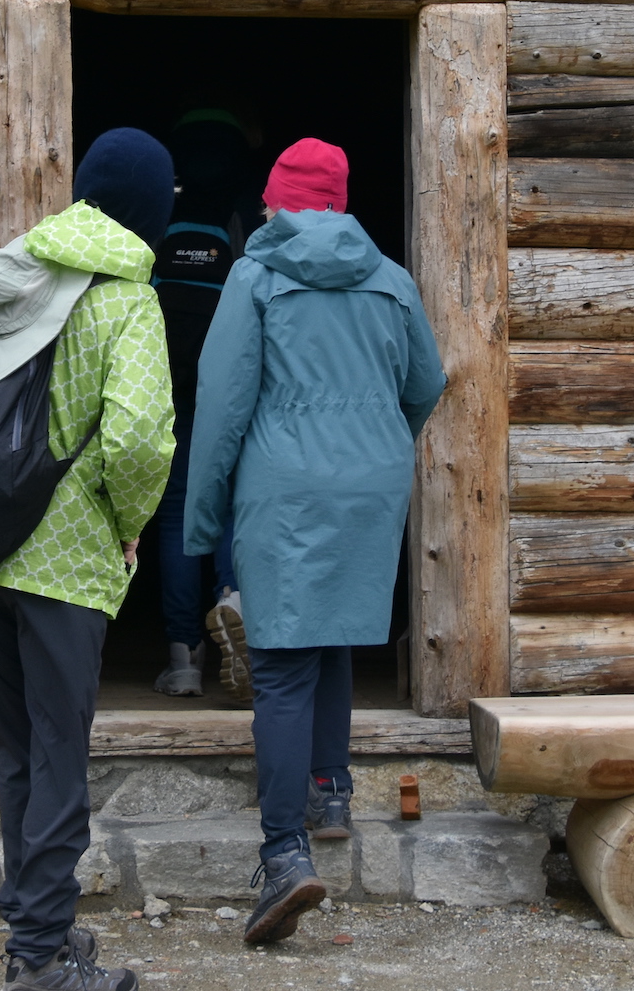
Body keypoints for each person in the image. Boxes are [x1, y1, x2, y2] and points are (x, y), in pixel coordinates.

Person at [184, 138, 446, 946]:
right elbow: (427, 383)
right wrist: (377, 443)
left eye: (269, 199)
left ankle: (284, 855)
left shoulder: (257, 276)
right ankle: (329, 791)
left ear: (282, 203)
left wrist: (199, 521)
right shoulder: (393, 281)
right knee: (331, 641)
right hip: (370, 485)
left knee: (282, 666)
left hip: (286, 486)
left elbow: (223, 401)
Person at [0, 127, 177, 991]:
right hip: (64, 564)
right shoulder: (127, 301)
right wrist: (127, 522)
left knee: (18, 754)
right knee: (60, 757)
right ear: (151, 210)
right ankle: (38, 957)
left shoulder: (6, 278)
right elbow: (140, 441)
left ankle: (39, 932)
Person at [148, 113, 250, 699]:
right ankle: (234, 599)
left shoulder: (164, 209)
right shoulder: (237, 212)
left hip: (167, 377)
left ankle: (182, 658)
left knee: (178, 510)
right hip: (225, 377)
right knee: (232, 500)